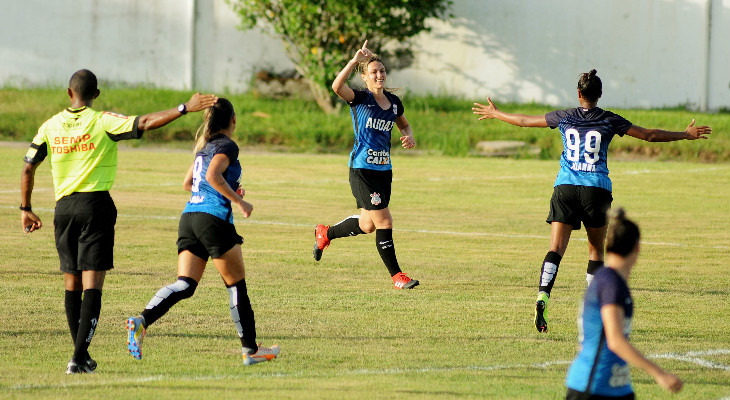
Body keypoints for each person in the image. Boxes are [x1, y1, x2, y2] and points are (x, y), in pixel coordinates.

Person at [471, 69, 711, 333]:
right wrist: (685, 134)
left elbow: (525, 121)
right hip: (595, 188)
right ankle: (594, 309)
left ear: (578, 93)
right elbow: (648, 135)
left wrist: (496, 113)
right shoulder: (608, 119)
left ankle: (543, 294)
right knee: (596, 251)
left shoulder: (565, 116)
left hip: (565, 187)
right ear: (599, 95)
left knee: (556, 248)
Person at [20, 69, 218, 374]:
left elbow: (27, 168)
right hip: (95, 206)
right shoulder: (102, 121)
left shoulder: (50, 126)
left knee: (71, 283)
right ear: (95, 95)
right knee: (93, 285)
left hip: (64, 209)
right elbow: (145, 122)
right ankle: (77, 356)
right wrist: (183, 108)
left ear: (68, 93)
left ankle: (80, 356)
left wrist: (26, 208)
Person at [125, 98, 279, 366]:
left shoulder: (204, 147)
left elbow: (189, 183)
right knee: (236, 286)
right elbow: (211, 177)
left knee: (185, 284)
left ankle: (142, 320)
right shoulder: (227, 145)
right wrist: (239, 201)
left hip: (189, 217)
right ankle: (250, 351)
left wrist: (229, 188)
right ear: (233, 120)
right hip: (213, 219)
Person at [313, 40, 418, 289]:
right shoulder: (360, 99)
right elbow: (336, 86)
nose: (379, 75)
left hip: (384, 171)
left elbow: (403, 124)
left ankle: (324, 233)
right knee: (385, 222)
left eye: (381, 71)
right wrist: (354, 60)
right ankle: (397, 277)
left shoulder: (393, 103)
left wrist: (409, 135)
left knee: (367, 225)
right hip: (362, 171)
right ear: (365, 77)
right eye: (373, 72)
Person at [565, 208, 683, 399]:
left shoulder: (608, 280)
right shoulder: (611, 283)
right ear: (637, 248)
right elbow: (615, 340)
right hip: (593, 387)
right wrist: (659, 374)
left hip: (617, 387)